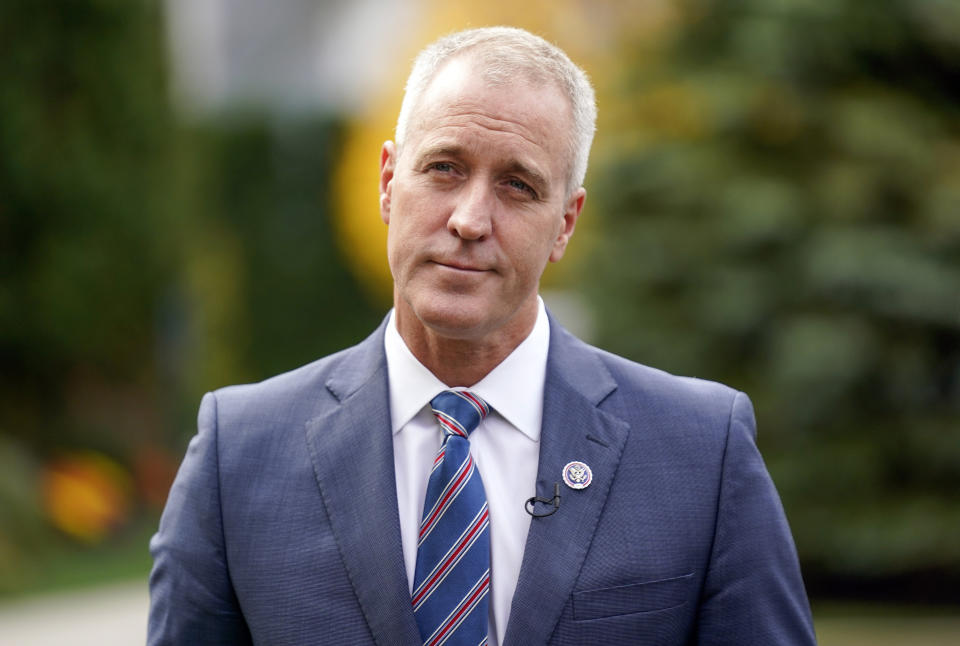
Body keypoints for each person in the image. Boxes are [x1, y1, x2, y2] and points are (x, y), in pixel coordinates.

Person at [148, 26, 817, 646]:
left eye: (518, 185)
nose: (469, 219)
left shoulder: (701, 453)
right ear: (387, 183)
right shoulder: (239, 457)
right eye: (444, 168)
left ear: (565, 224)